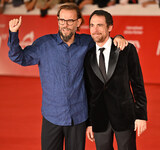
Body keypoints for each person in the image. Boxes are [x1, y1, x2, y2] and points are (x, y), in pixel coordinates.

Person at [8, 3, 128, 150]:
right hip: (52, 115)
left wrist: (118, 37)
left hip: (78, 116)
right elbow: (19, 57)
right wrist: (13, 33)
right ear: (58, 20)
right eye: (61, 20)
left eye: (70, 21)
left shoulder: (87, 43)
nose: (65, 25)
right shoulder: (44, 44)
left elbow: (104, 42)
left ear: (78, 22)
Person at [84, 10, 147, 150]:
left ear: (110, 27)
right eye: (92, 25)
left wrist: (141, 115)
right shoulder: (87, 56)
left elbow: (138, 84)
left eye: (100, 25)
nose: (95, 30)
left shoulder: (126, 49)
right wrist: (89, 122)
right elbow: (88, 91)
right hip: (99, 119)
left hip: (124, 116)